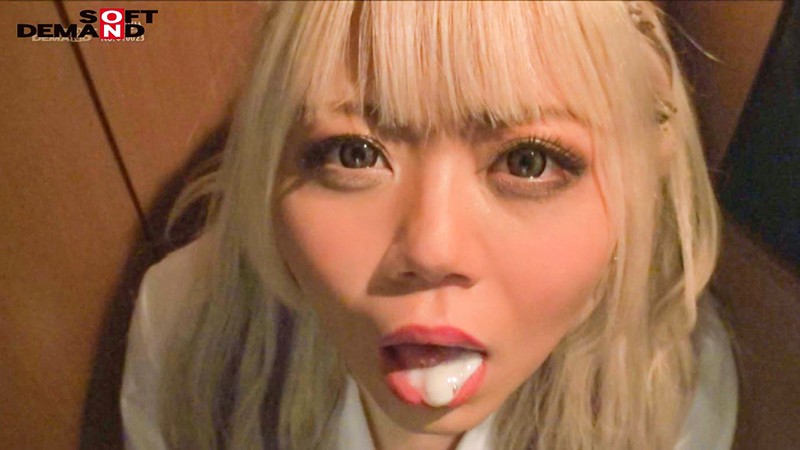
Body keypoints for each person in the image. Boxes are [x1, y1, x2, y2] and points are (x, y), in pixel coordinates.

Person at [121, 2, 738, 449]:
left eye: (528, 162)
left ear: (641, 177)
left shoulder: (673, 385)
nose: (431, 249)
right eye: (353, 154)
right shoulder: (184, 330)